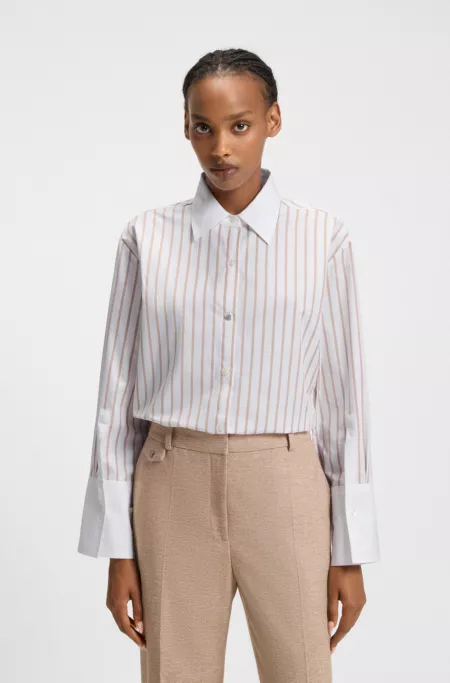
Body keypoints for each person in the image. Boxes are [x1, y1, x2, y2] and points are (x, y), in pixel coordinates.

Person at [77, 47, 381, 683]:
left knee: (301, 672)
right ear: (185, 128)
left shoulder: (323, 239)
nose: (221, 148)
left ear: (273, 120)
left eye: (239, 125)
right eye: (203, 127)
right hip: (172, 483)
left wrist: (350, 550)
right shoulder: (145, 238)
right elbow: (117, 397)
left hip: (286, 482)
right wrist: (117, 548)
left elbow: (343, 401)